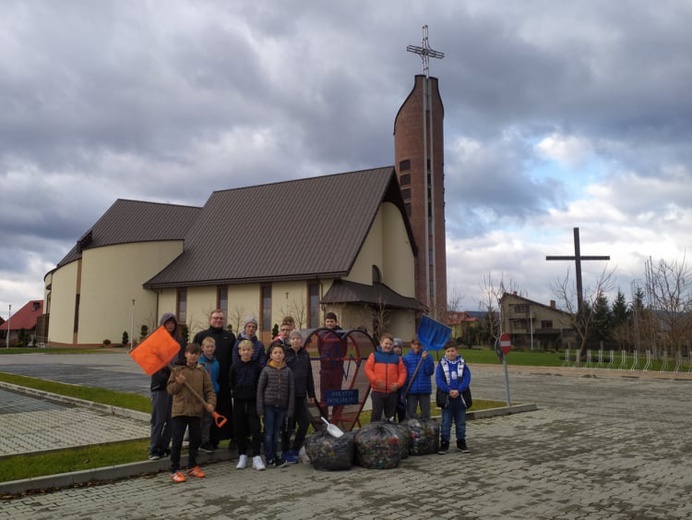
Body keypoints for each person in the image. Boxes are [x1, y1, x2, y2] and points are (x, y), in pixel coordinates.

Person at [167, 342, 217, 483]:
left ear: (199, 356)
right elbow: (170, 390)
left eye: (196, 354)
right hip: (180, 411)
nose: (193, 356)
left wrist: (211, 404)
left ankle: (192, 466)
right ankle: (174, 470)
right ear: (185, 354)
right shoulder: (178, 370)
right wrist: (178, 383)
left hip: (196, 411)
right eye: (191, 353)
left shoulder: (202, 372)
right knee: (177, 441)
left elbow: (209, 390)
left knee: (195, 440)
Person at [192, 309, 237, 450]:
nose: (218, 320)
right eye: (215, 318)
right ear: (210, 319)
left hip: (223, 383)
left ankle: (217, 439)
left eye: (221, 318)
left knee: (221, 410)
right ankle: (203, 440)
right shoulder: (201, 336)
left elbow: (233, 358)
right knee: (205, 414)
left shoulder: (230, 337)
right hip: (203, 384)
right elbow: (192, 355)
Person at [148, 312, 185, 460]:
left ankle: (163, 447)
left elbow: (182, 360)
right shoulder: (156, 342)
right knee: (159, 419)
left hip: (175, 386)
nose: (170, 325)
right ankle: (154, 449)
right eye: (167, 323)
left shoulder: (179, 342)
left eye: (172, 323)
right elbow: (153, 365)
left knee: (172, 420)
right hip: (160, 385)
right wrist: (166, 375)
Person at [257, 343, 295, 468]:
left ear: (284, 355)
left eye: (280, 353)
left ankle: (275, 456)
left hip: (282, 407)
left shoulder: (287, 371)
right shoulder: (266, 370)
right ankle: (269, 457)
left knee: (276, 433)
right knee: (268, 432)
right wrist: (260, 408)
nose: (278, 355)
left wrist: (290, 409)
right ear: (271, 355)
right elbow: (260, 389)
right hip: (269, 406)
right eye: (275, 353)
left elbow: (291, 390)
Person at [230, 339, 265, 471]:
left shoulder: (256, 366)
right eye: (243, 350)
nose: (246, 352)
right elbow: (231, 382)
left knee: (255, 428)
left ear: (252, 352)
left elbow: (259, 384)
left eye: (248, 350)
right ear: (239, 352)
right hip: (239, 400)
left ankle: (256, 456)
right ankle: (242, 455)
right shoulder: (234, 366)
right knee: (239, 429)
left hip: (253, 400)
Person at [281, 329, 316, 464]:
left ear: (301, 341)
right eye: (293, 339)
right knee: (288, 426)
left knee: (305, 422)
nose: (295, 341)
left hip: (301, 395)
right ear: (290, 341)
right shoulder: (285, 354)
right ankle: (285, 451)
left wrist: (311, 393)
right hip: (288, 396)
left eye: (298, 339)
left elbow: (309, 375)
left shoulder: (305, 354)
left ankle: (295, 448)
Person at [435, 340, 471, 454]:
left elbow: (467, 378)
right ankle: (444, 443)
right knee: (446, 423)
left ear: (457, 351)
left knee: (461, 423)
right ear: (445, 352)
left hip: (460, 399)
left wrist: (459, 390)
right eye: (448, 351)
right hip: (447, 399)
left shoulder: (462, 364)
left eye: (453, 350)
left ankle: (461, 442)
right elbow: (439, 380)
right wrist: (449, 390)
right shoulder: (441, 365)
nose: (451, 353)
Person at [364, 333, 407, 422]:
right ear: (381, 343)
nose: (388, 346)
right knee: (376, 415)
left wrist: (398, 384)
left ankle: (389, 434)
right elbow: (368, 369)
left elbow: (403, 372)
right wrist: (375, 380)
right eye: (386, 343)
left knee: (390, 417)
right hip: (377, 392)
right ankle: (373, 434)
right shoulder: (374, 356)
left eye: (390, 344)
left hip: (392, 393)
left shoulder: (396, 358)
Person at [318, 311, 346, 419]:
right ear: (325, 322)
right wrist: (325, 359)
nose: (329, 323)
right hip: (325, 368)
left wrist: (337, 359)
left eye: (332, 321)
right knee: (324, 396)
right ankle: (324, 419)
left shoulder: (342, 333)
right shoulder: (321, 333)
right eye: (328, 321)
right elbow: (320, 348)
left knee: (336, 395)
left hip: (337, 368)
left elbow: (344, 350)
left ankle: (335, 419)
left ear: (336, 322)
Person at [402, 336, 435, 419]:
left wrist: (426, 359)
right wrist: (404, 389)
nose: (417, 346)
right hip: (411, 390)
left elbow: (430, 371)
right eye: (415, 344)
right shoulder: (406, 358)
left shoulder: (428, 356)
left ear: (422, 345)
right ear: (411, 345)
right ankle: (412, 430)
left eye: (419, 344)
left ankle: (427, 430)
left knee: (426, 414)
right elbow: (405, 375)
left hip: (424, 390)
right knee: (410, 414)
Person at [197, 337, 220, 454]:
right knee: (198, 419)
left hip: (212, 393)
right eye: (207, 347)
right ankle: (196, 441)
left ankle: (204, 442)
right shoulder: (199, 362)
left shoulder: (216, 362)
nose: (210, 349)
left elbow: (216, 377)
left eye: (212, 347)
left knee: (208, 420)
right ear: (202, 348)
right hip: (200, 395)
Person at [392, 338, 407, 422]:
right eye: (395, 347)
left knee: (402, 409)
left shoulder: (405, 360)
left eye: (399, 347)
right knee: (392, 410)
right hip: (393, 388)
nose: (397, 349)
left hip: (402, 388)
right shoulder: (389, 360)